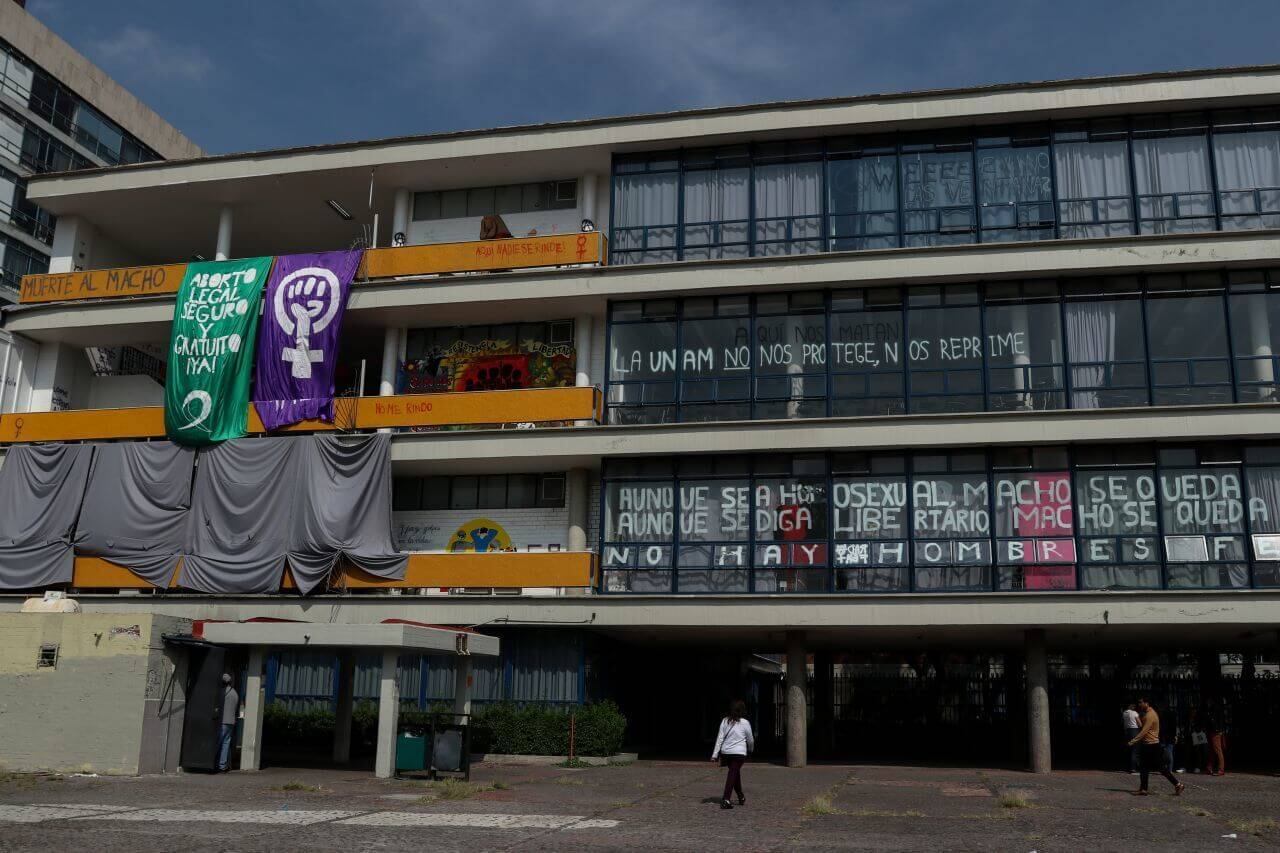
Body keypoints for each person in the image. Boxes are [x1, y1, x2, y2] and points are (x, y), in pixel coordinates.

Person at [1128, 697, 1185, 796]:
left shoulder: (1150, 715)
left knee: (1159, 767)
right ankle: (1143, 789)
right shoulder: (1148, 713)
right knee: (1144, 767)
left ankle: (1178, 784)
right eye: (1138, 702)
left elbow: (1144, 731)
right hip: (1149, 744)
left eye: (1141, 702)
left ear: (1147, 703)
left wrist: (1132, 741)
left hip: (1151, 745)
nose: (1139, 704)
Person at [711, 699, 754, 810]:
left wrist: (715, 754)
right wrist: (751, 749)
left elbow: (720, 738)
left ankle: (740, 796)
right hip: (739, 753)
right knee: (733, 773)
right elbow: (750, 740)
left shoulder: (725, 721)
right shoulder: (745, 723)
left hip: (727, 753)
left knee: (734, 773)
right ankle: (726, 799)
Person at [218, 673, 239, 772]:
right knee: (226, 743)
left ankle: (214, 763)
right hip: (231, 722)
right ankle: (222, 765)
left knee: (218, 742)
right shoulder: (235, 693)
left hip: (222, 721)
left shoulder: (222, 691)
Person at [1204, 706, 1226, 776]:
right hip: (1212, 731)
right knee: (1212, 750)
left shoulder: (1216, 710)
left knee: (1217, 750)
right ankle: (1209, 767)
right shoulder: (1210, 710)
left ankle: (1221, 769)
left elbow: (1218, 720)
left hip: (1215, 731)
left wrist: (1219, 730)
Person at [1122, 703, 1141, 774]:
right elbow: (1139, 724)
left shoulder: (1124, 713)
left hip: (1127, 731)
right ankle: (1133, 768)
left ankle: (1128, 766)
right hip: (1134, 731)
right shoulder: (1134, 713)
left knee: (1129, 749)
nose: (1135, 707)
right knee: (1135, 750)